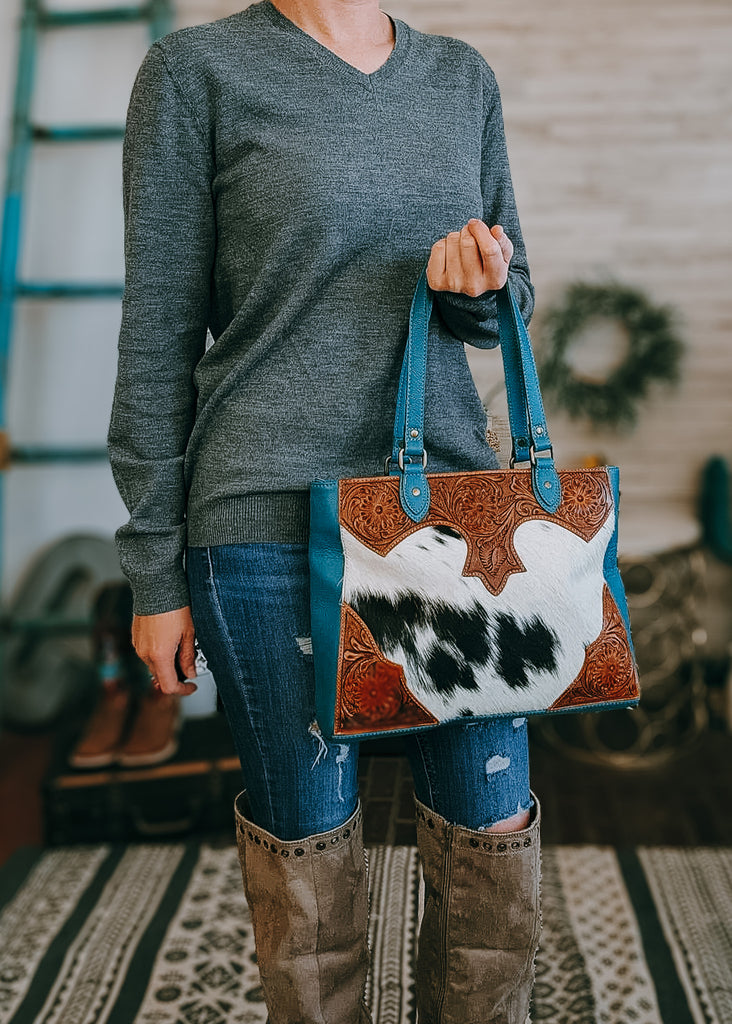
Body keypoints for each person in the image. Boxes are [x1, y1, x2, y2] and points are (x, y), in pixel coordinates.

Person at [107, 1, 543, 1021]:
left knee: (493, 831)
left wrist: (479, 285)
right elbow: (157, 335)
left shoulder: (459, 77)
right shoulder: (193, 73)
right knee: (307, 847)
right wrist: (154, 574)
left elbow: (512, 294)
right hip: (264, 524)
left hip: (448, 519)